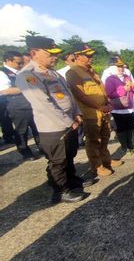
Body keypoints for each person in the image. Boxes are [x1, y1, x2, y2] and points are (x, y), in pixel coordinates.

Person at [16, 36, 90, 203]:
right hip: (54, 127)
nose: (55, 57)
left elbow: (69, 95)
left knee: (69, 155)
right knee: (58, 160)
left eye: (56, 54)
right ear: (34, 53)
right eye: (51, 54)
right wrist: (69, 122)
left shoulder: (52, 72)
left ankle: (72, 182)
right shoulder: (28, 75)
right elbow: (44, 104)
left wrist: (77, 113)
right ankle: (61, 190)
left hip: (70, 122)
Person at [66, 43, 123, 177]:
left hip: (103, 111)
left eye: (92, 55)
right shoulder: (73, 72)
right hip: (91, 113)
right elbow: (79, 94)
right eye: (88, 55)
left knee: (105, 137)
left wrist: (107, 103)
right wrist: (99, 107)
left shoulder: (91, 70)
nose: (91, 57)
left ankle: (106, 160)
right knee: (93, 141)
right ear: (78, 56)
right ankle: (96, 166)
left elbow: (101, 89)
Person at [0, 50, 41, 160]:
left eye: (22, 62)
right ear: (8, 61)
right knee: (22, 130)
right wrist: (25, 87)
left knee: (37, 127)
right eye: (18, 63)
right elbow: (4, 91)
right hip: (17, 106)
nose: (21, 65)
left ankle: (42, 147)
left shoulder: (24, 71)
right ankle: (24, 151)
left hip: (31, 103)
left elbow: (34, 83)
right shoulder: (3, 73)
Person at [105, 59, 134, 154]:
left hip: (129, 107)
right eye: (118, 67)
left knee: (130, 127)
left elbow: (133, 91)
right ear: (114, 68)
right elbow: (109, 94)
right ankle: (125, 146)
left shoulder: (127, 77)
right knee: (121, 128)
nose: (120, 69)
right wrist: (123, 89)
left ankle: (131, 145)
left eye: (122, 67)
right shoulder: (110, 79)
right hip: (118, 109)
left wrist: (132, 87)